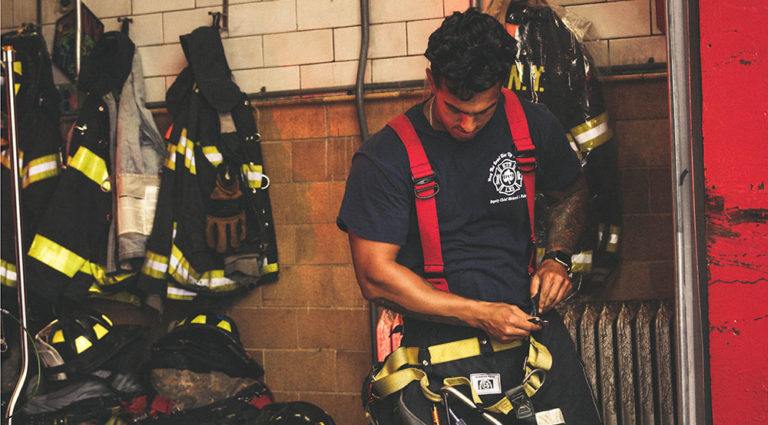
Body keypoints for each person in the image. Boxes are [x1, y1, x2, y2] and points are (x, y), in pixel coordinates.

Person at [337, 8, 602, 425]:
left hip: (533, 343)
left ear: (501, 86)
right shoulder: (385, 158)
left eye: (483, 111)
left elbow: (570, 190)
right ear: (431, 82)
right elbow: (374, 276)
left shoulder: (533, 124)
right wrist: (476, 313)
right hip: (440, 355)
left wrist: (558, 258)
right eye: (454, 109)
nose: (467, 124)